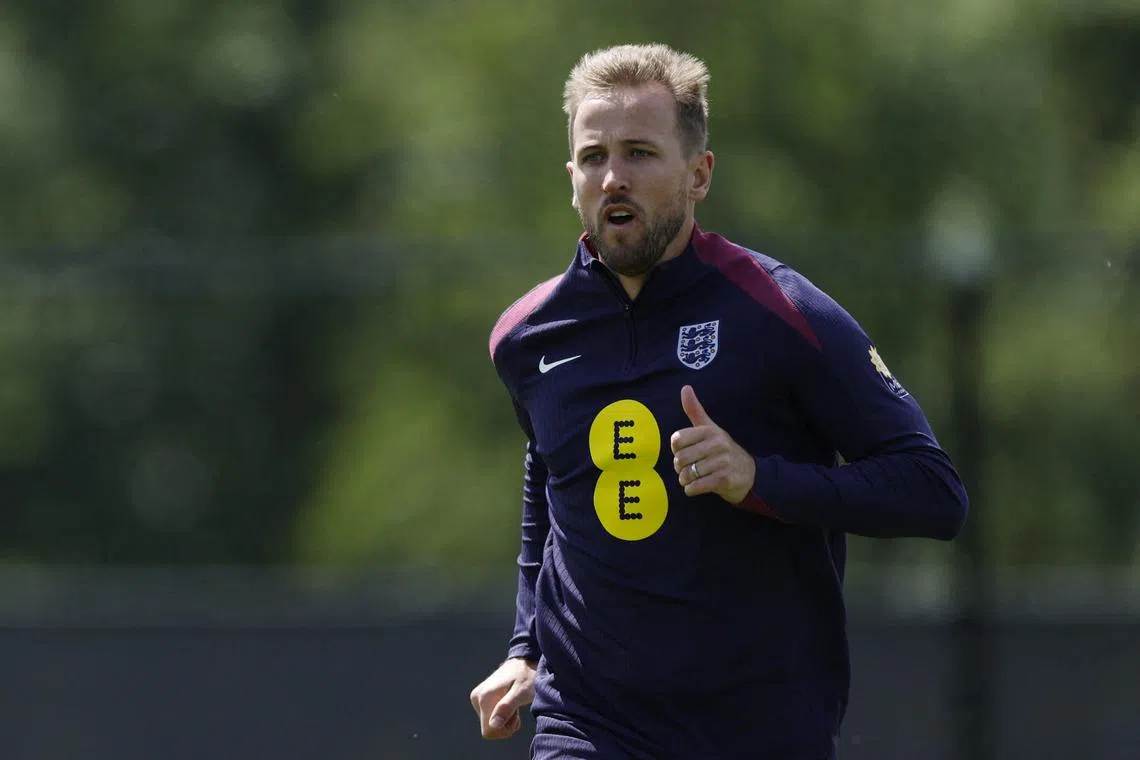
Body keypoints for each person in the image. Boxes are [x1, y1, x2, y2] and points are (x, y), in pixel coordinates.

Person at [469, 42, 968, 760]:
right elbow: (551, 476)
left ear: (699, 174)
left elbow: (934, 492)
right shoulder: (524, 337)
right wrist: (527, 647)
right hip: (590, 722)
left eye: (640, 153)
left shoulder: (782, 312)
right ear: (570, 176)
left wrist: (759, 480)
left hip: (756, 728)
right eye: (593, 156)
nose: (614, 177)